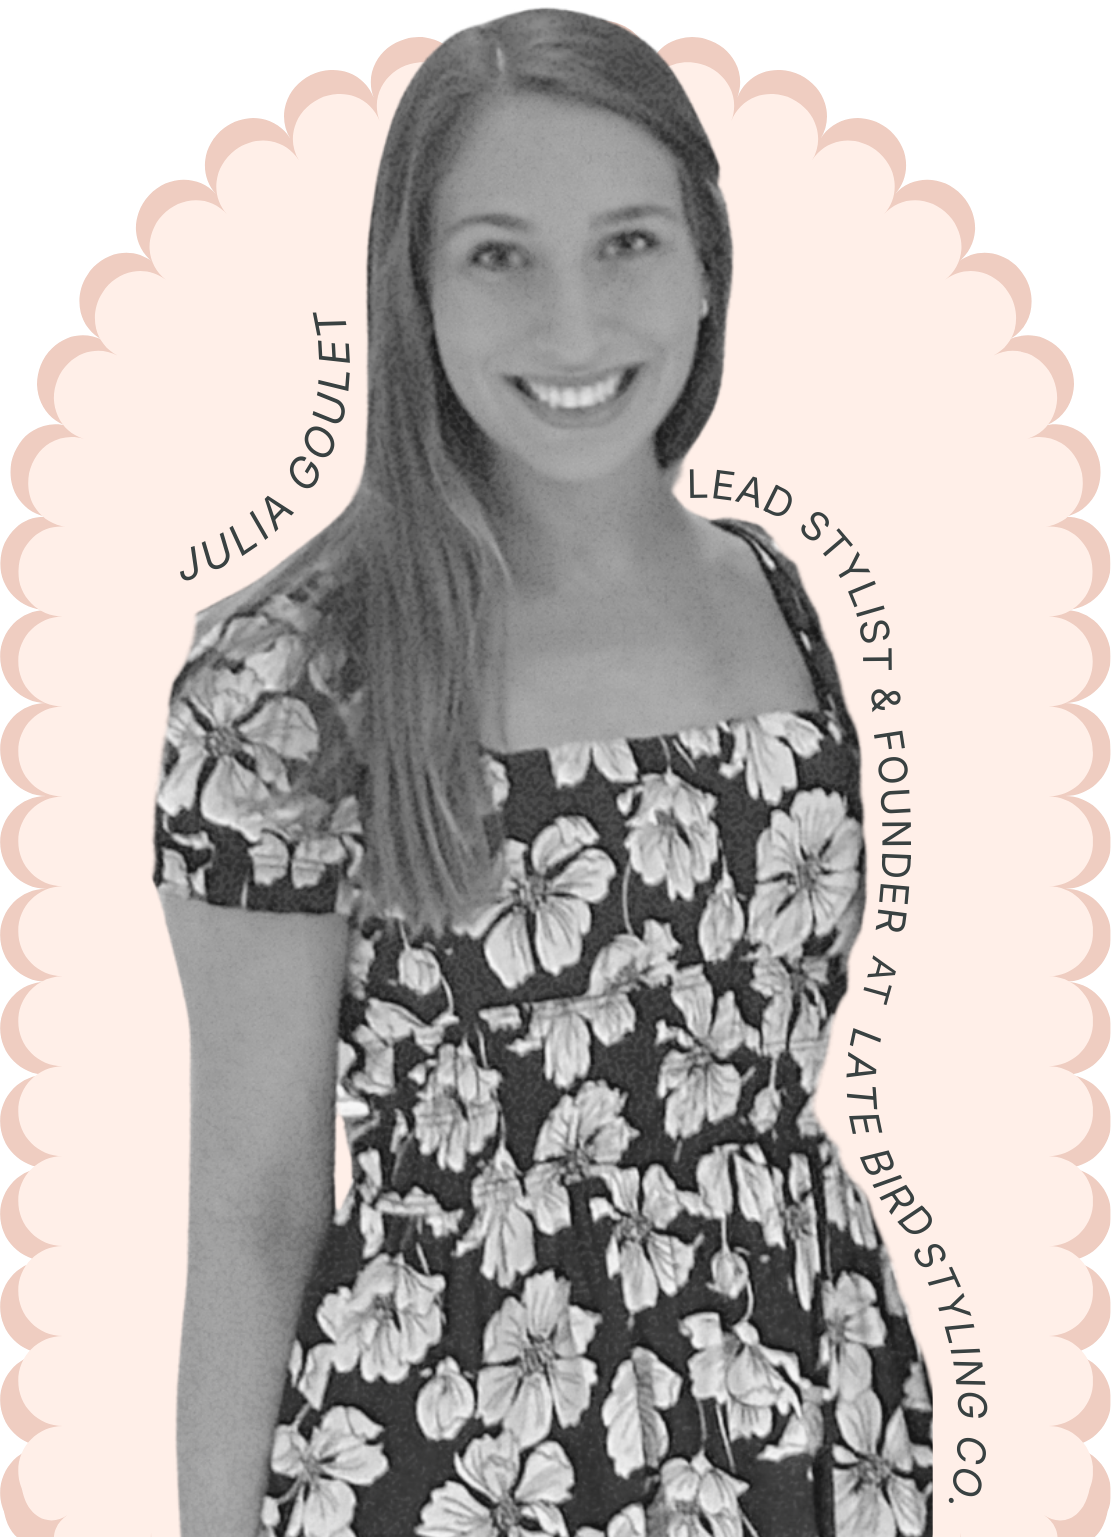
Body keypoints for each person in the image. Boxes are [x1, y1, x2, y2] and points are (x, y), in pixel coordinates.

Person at [155, 12, 933, 1536]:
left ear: (707, 263)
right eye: (499, 256)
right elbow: (253, 1206)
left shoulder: (773, 593)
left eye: (627, 242)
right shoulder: (289, 682)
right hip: (462, 1465)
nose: (573, 324)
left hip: (816, 1435)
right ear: (415, 291)